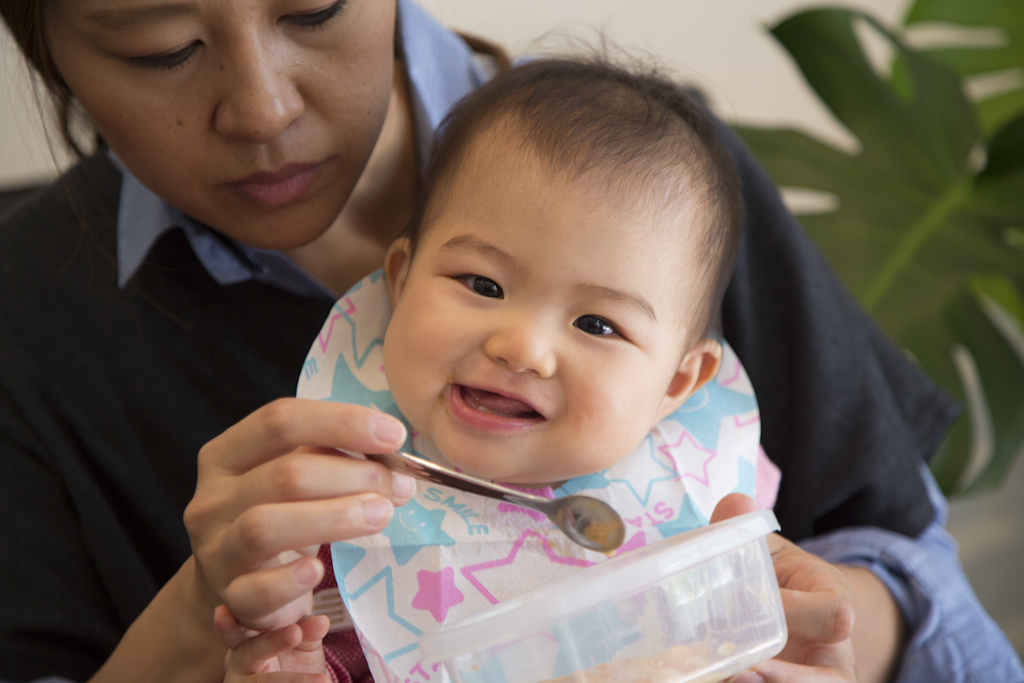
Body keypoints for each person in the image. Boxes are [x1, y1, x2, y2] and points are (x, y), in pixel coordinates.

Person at [0, 1, 1018, 683]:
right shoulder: (30, 324)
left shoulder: (660, 187)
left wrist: (822, 625)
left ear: (683, 376)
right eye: (158, 46)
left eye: (312, 6)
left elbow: (922, 582)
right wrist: (198, 618)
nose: (264, 107)